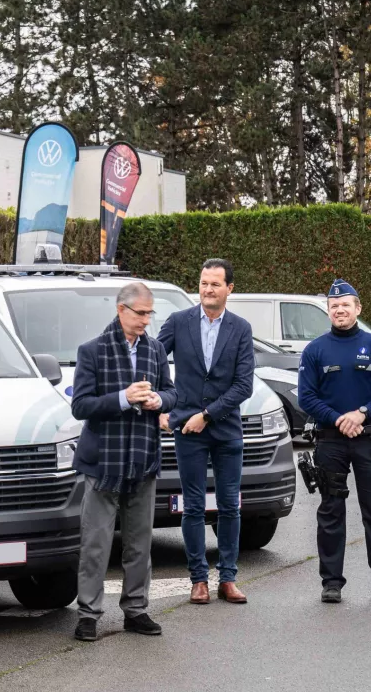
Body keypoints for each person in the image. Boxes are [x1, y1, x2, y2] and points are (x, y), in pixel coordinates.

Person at [69, 282, 178, 641]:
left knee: (139, 542)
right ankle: (88, 614)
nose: (147, 320)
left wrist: (159, 401)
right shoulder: (93, 351)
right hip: (103, 464)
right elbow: (81, 406)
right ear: (121, 310)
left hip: (143, 459)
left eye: (150, 313)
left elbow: (173, 393)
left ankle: (136, 610)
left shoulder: (156, 350)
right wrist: (122, 398)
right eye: (141, 313)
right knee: (96, 544)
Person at [296, 280, 371, 605]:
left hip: (367, 438)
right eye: (334, 306)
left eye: (346, 305)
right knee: (330, 511)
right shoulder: (315, 350)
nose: (340, 310)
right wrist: (338, 419)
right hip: (330, 442)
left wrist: (362, 413)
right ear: (328, 311)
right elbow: (306, 397)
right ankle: (331, 582)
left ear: (358, 308)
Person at [157, 259, 255, 605]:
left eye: (215, 284)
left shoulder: (241, 329)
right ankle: (198, 579)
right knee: (193, 506)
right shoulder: (179, 322)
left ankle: (228, 578)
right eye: (203, 283)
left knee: (230, 505)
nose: (208, 290)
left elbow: (244, 385)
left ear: (230, 288)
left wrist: (207, 415)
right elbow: (153, 360)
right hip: (187, 429)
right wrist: (160, 404)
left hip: (226, 430)